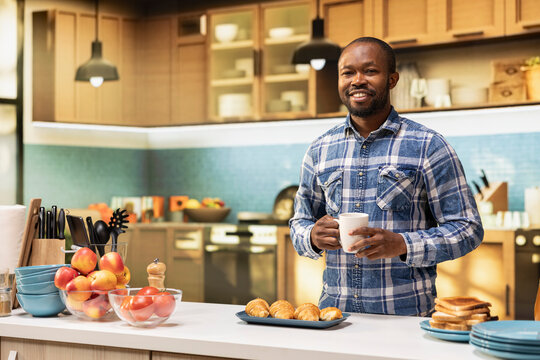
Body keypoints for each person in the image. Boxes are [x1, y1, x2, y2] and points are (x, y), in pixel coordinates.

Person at [289, 37, 483, 316]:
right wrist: (311, 236)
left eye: (370, 71)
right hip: (333, 317)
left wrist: (403, 244)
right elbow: (300, 222)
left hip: (405, 318)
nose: (357, 80)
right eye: (348, 72)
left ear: (392, 80)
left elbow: (468, 228)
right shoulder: (320, 149)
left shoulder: (428, 146)